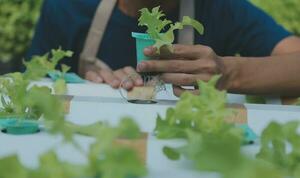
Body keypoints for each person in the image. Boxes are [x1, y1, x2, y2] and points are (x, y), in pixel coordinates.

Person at [28, 0, 300, 96]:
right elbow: (31, 86)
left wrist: (229, 73)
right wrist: (78, 85)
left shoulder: (221, 8)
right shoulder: (66, 7)